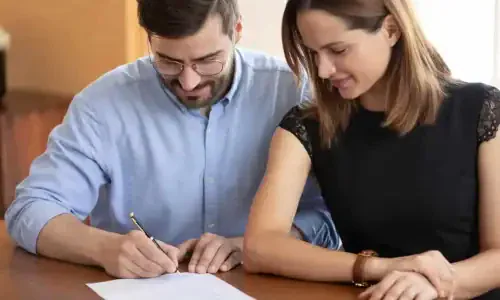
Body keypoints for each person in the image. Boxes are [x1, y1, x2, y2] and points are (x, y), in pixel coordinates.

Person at [4, 0, 340, 280]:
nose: (189, 81)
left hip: (270, 287)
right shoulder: (102, 105)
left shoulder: (297, 93)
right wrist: (102, 248)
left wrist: (255, 245)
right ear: (149, 39)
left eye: (208, 61)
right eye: (169, 62)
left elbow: (334, 213)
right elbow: (30, 210)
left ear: (237, 30)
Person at [243, 0, 500, 299]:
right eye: (313, 53)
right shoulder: (307, 126)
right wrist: (382, 268)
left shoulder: (481, 109)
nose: (323, 70)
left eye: (338, 50)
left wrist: (437, 283)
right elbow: (259, 247)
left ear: (391, 30)